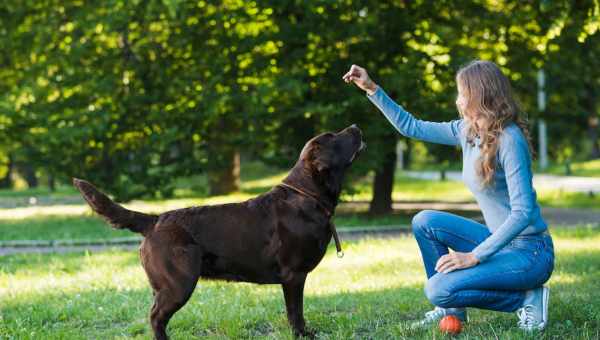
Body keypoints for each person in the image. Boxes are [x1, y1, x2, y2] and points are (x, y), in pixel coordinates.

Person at [342, 60, 554, 331]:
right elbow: (412, 127)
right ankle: (450, 309)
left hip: (530, 252)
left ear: (481, 95)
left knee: (437, 288)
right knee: (425, 221)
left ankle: (528, 297)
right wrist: (371, 88)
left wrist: (474, 256)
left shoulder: (510, 139)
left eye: (463, 93)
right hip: (499, 241)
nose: (458, 100)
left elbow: (523, 213)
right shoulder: (467, 131)